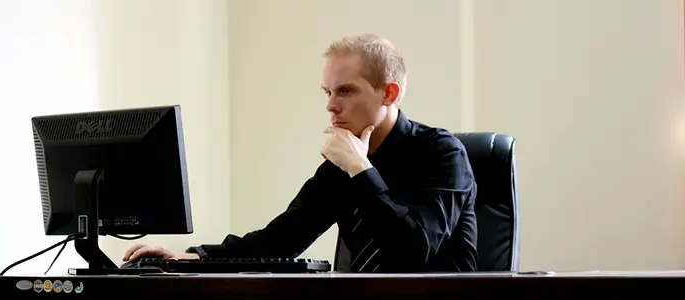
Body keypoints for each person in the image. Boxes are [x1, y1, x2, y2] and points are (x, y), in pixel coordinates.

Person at [124, 34, 477, 273]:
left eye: (346, 91)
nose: (331, 106)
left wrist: (360, 169)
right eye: (327, 92)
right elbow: (280, 240)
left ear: (389, 93)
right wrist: (192, 257)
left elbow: (415, 249)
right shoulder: (342, 164)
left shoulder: (443, 154)